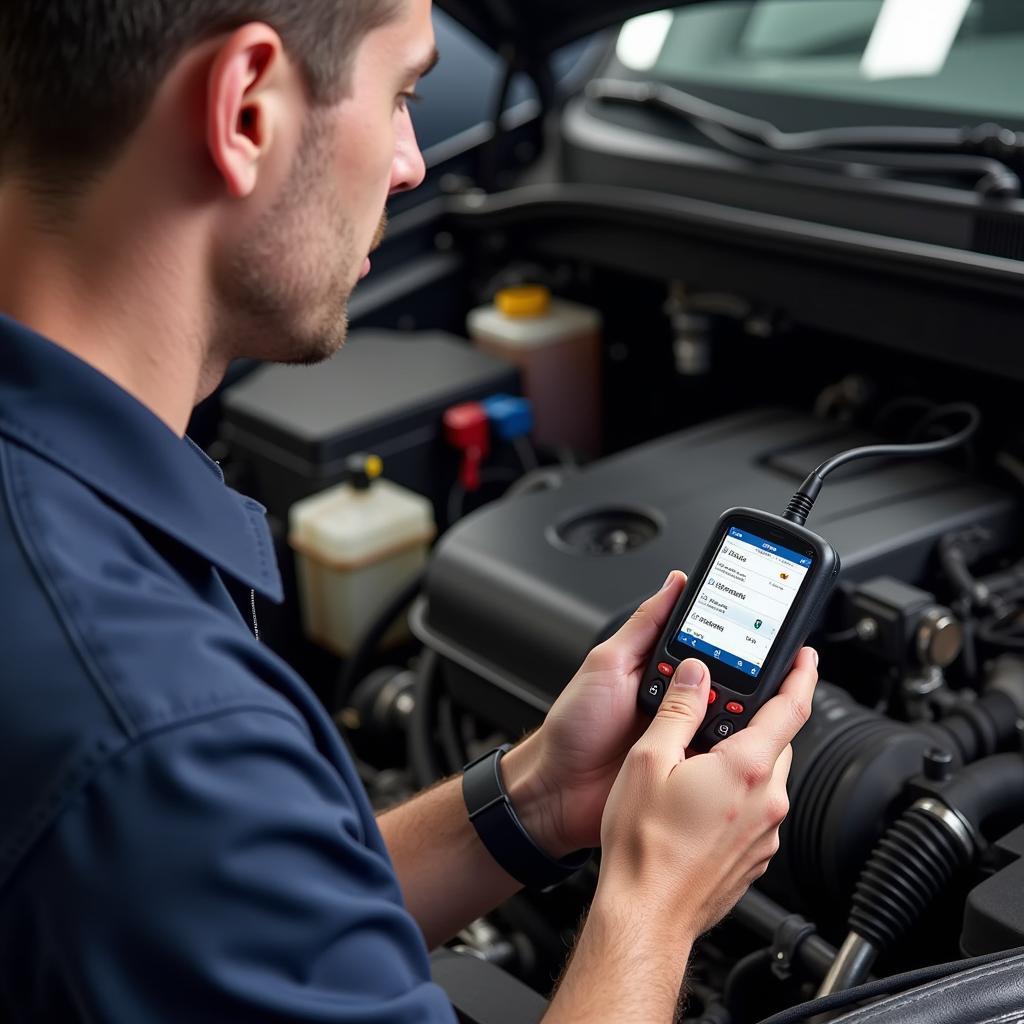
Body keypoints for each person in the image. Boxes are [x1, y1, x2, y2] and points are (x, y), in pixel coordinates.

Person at [0, 1, 818, 1020]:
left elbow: (245, 909)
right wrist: (654, 904)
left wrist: (532, 801)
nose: (412, 164)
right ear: (246, 109)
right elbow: (186, 817)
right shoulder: (155, 725)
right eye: (402, 95)